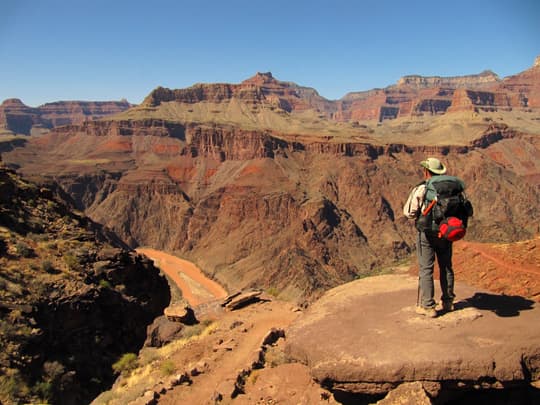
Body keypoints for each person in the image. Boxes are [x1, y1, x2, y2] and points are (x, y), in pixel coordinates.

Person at [403, 157, 458, 318]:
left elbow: (408, 212)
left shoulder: (423, 188)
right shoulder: (451, 187)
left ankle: (428, 306)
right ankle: (448, 302)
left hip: (426, 233)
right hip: (445, 232)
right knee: (446, 266)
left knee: (426, 268)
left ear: (426, 171)